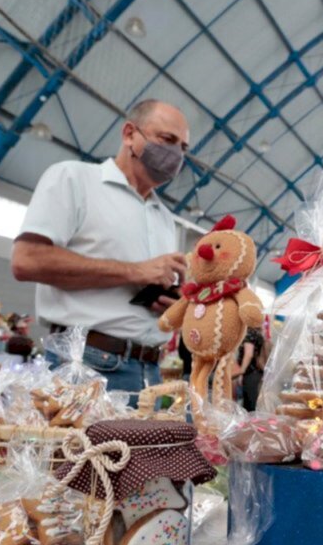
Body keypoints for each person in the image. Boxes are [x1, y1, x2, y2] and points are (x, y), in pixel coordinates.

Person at [11, 99, 190, 394]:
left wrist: (168, 302)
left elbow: (142, 282)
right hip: (85, 366)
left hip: (149, 371)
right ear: (130, 134)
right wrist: (137, 272)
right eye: (167, 140)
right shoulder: (74, 179)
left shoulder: (165, 218)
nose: (175, 154)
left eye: (182, 148)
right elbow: (27, 260)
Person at [235, 327, 265, 412]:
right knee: (252, 402)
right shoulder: (257, 333)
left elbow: (249, 354)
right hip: (257, 372)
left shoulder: (249, 334)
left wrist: (241, 371)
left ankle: (251, 424)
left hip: (250, 373)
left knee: (249, 405)